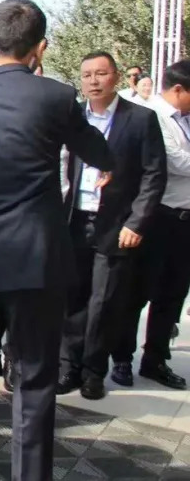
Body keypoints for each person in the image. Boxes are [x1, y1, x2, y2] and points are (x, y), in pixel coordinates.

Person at [0, 0, 113, 481]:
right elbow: (100, 152)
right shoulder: (57, 97)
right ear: (40, 47)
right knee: (34, 382)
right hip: (38, 261)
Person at [57, 51, 166, 401]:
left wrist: (137, 222)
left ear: (116, 77)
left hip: (116, 224)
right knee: (73, 298)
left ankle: (93, 372)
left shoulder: (140, 119)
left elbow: (153, 175)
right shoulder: (73, 116)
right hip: (75, 220)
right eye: (87, 74)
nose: (93, 81)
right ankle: (68, 366)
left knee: (104, 302)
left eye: (101, 73)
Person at [112, 59, 190, 390]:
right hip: (155, 217)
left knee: (173, 294)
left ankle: (155, 360)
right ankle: (122, 358)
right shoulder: (151, 115)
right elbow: (175, 161)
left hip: (185, 221)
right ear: (179, 89)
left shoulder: (185, 118)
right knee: (136, 292)